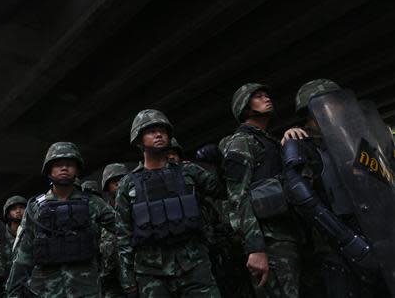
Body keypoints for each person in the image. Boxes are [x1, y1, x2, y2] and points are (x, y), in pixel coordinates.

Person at [281, 79, 393, 298]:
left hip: (375, 230)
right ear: (310, 113)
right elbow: (300, 194)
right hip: (337, 242)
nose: (339, 108)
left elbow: (383, 179)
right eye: (332, 104)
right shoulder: (304, 145)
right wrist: (345, 239)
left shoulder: (354, 140)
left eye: (339, 103)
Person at [116, 109, 223, 298]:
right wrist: (128, 279)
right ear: (139, 141)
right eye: (151, 131)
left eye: (162, 131)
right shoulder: (127, 184)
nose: (158, 134)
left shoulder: (189, 171)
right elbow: (124, 234)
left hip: (194, 264)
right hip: (151, 272)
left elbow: (222, 190)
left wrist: (220, 162)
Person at [219, 83, 301, 298]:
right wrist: (255, 248)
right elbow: (238, 197)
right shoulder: (241, 142)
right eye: (258, 97)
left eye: (266, 94)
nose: (266, 99)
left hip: (286, 233)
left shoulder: (268, 141)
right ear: (245, 108)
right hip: (268, 240)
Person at [6, 142, 116, 298]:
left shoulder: (93, 203)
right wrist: (13, 291)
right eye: (58, 165)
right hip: (46, 291)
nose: (64, 168)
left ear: (77, 170)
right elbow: (23, 254)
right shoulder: (35, 208)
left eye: (70, 164)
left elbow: (123, 229)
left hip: (86, 289)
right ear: (49, 170)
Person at [99, 163, 129, 298]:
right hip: (110, 278)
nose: (118, 184)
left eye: (122, 179)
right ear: (106, 186)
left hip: (136, 272)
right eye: (113, 181)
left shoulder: (137, 207)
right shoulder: (99, 212)